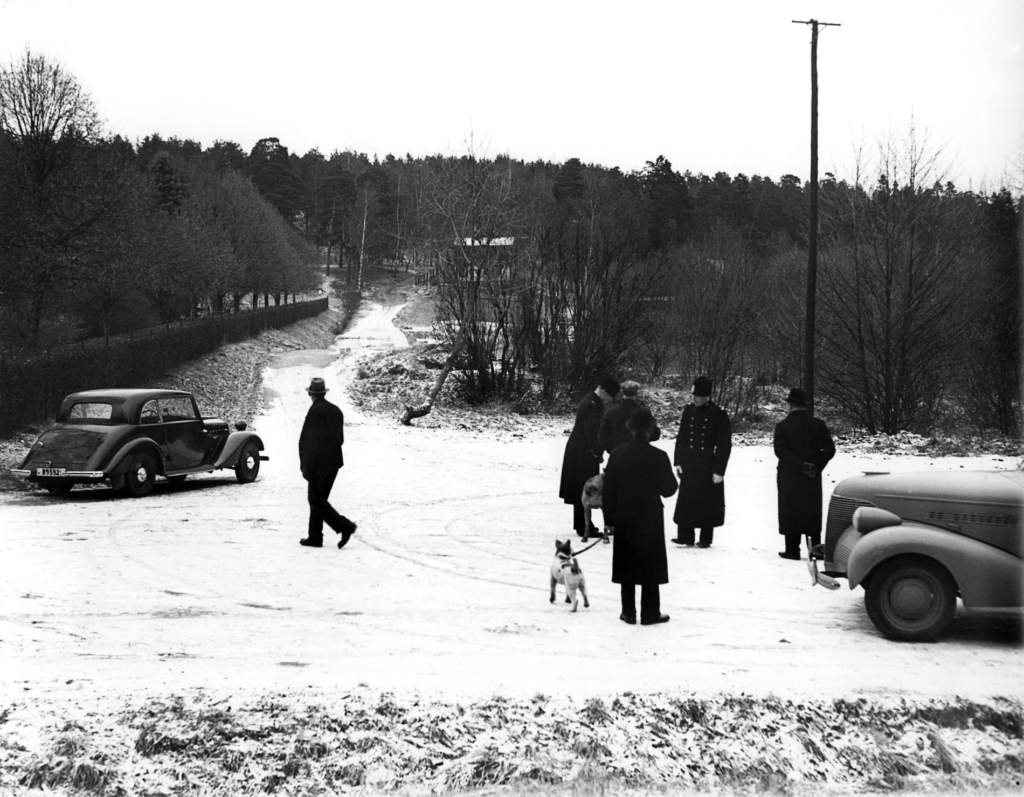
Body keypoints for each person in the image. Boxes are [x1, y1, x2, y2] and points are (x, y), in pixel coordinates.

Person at [603, 407, 678, 625]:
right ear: (649, 430)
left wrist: (610, 520)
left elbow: (609, 491)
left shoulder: (617, 454)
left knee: (627, 561)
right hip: (649, 516)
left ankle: (628, 611)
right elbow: (669, 489)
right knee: (650, 563)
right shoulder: (659, 456)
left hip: (624, 514)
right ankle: (650, 612)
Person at [774, 387, 835, 560]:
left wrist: (799, 465)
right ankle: (815, 549)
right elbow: (829, 449)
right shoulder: (818, 425)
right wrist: (815, 465)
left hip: (789, 475)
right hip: (811, 476)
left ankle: (792, 549)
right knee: (811, 510)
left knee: (790, 510)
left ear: (790, 405)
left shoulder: (783, 426)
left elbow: (781, 452)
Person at [672, 376, 732, 548]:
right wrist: (678, 461)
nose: (694, 399)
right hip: (689, 462)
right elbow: (682, 437)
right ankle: (685, 536)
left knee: (707, 501)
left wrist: (719, 470)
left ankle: (705, 538)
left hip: (707, 464)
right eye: (694, 395)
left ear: (706, 396)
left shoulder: (718, 414)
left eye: (697, 396)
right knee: (686, 499)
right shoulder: (688, 411)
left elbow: (724, 445)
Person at [298, 377, 356, 549]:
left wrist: (305, 465)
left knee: (316, 500)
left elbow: (307, 442)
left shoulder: (314, 412)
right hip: (333, 462)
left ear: (310, 393)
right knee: (319, 500)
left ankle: (345, 526)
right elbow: (340, 440)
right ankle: (315, 537)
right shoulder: (336, 411)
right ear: (323, 392)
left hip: (317, 464)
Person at [558, 376, 620, 538]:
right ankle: (583, 525)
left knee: (582, 486)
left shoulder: (591, 402)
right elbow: (592, 432)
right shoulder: (592, 405)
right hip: (583, 452)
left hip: (581, 450)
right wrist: (597, 451)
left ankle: (582, 524)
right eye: (610, 396)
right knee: (583, 486)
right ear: (604, 392)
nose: (609, 401)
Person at [598, 380, 658, 454]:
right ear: (636, 393)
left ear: (622, 392)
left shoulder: (611, 413)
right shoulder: (644, 412)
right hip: (639, 454)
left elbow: (602, 436)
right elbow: (655, 434)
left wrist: (611, 449)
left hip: (617, 455)